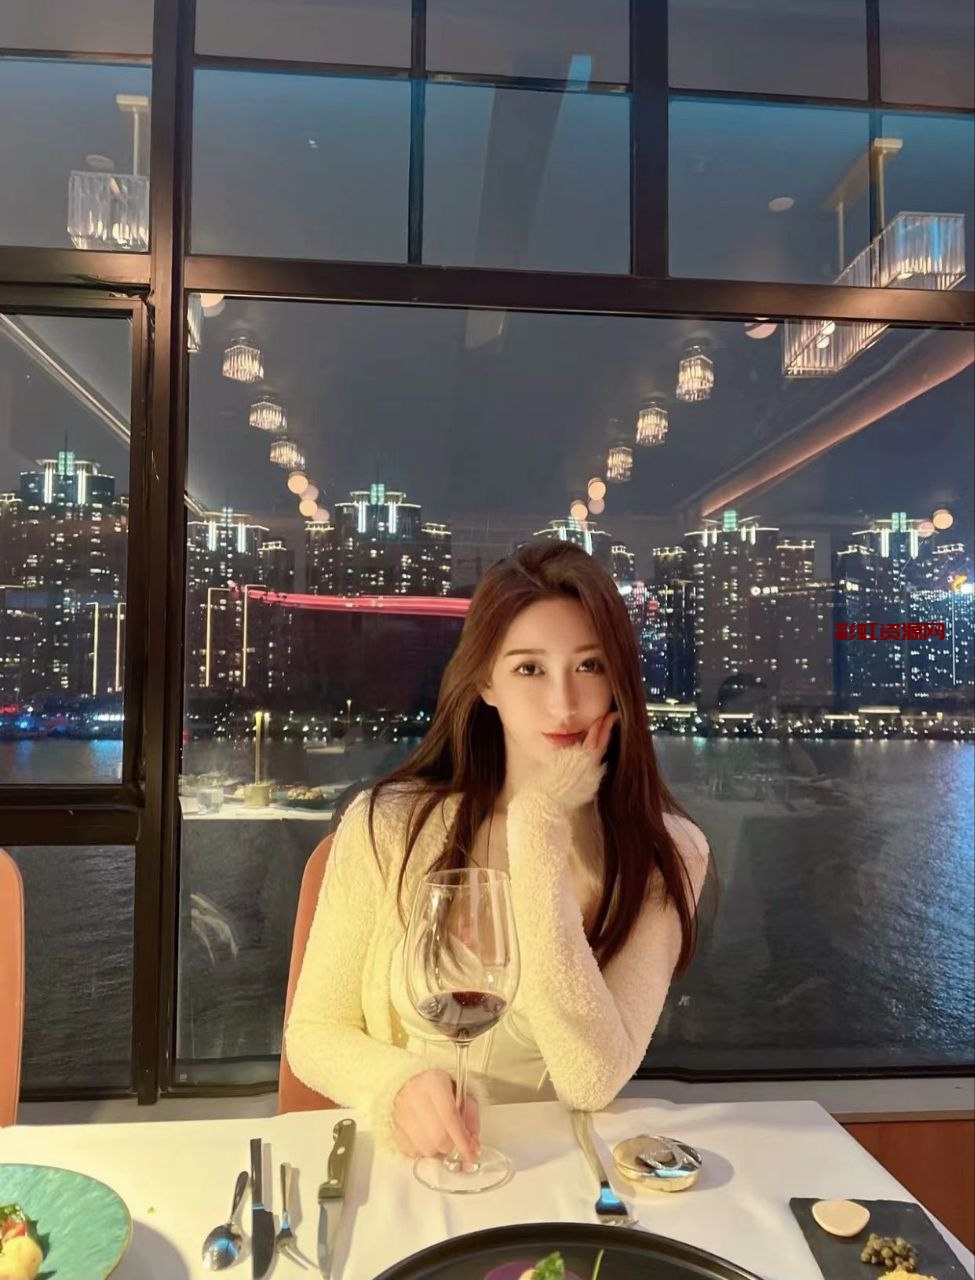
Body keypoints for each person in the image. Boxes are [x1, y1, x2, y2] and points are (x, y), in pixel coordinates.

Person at [286, 540, 710, 1160]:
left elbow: (591, 1079)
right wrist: (396, 1085)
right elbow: (315, 1031)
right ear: (486, 680)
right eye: (529, 669)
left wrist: (539, 828)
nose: (564, 703)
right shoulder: (391, 824)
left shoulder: (665, 854)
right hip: (416, 1167)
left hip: (559, 1173)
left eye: (590, 666)